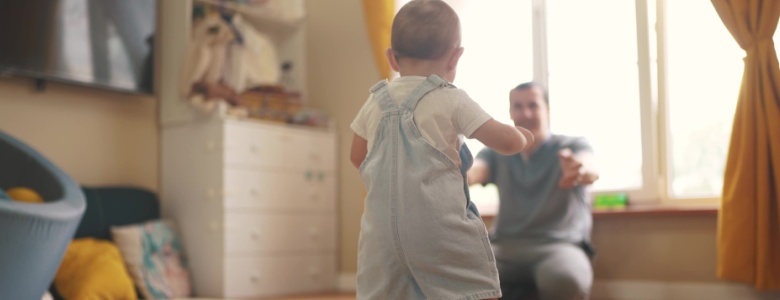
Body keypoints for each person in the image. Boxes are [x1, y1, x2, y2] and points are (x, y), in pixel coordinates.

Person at [349, 1, 534, 299]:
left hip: (379, 239)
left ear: (392, 59)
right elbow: (505, 141)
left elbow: (358, 156)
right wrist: (523, 137)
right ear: (455, 58)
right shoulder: (451, 99)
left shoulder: (374, 102)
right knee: (469, 289)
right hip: (437, 232)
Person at [468, 82, 599, 300]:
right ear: (510, 113)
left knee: (566, 281)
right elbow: (477, 170)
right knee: (465, 277)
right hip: (504, 248)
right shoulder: (497, 153)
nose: (525, 113)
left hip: (558, 246)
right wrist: (460, 171)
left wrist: (579, 169)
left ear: (546, 109)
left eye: (533, 105)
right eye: (518, 107)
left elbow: (590, 168)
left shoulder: (572, 145)